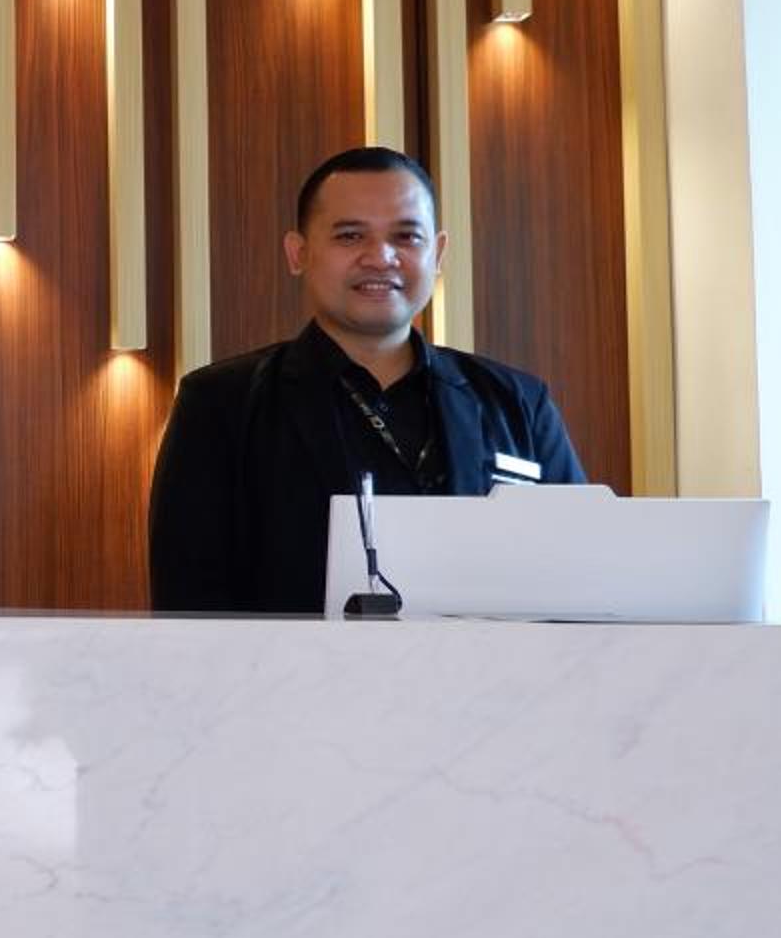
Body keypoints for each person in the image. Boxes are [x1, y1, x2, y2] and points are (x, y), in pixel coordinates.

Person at [148, 146, 585, 614]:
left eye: (406, 236)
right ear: (299, 253)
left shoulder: (519, 402)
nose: (380, 257)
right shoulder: (220, 404)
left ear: (437, 253)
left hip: (492, 663)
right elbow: (187, 602)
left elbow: (583, 573)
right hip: (291, 664)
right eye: (350, 236)